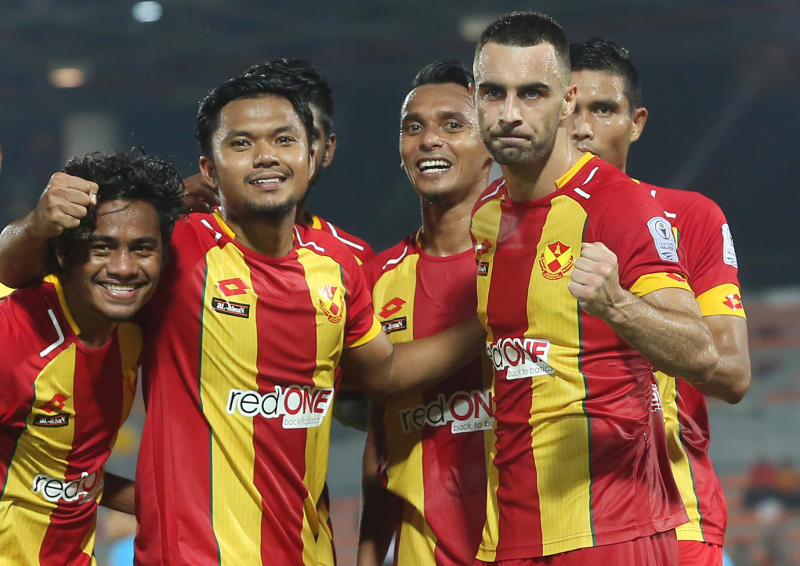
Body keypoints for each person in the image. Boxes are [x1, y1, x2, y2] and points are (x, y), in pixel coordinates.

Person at [0, 70, 481, 565]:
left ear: (311, 155)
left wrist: (491, 316)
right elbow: (13, 269)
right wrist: (36, 225)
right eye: (242, 143)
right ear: (209, 168)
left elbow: (386, 372)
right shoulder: (174, 247)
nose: (266, 155)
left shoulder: (339, 266)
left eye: (284, 140)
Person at [468, 11, 719, 565]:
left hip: (611, 530)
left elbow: (701, 352)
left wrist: (618, 305)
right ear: (474, 98)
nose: (510, 114)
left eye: (532, 93)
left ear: (566, 101)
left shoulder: (617, 204)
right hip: (510, 534)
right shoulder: (484, 216)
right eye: (494, 93)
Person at [569, 37, 752, 565]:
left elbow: (732, 372)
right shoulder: (501, 231)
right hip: (540, 524)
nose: (583, 128)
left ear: (636, 123)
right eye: (570, 110)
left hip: (673, 517)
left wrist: (622, 306)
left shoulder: (687, 217)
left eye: (604, 109)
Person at [0, 149, 184, 565]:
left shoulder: (133, 332)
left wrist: (181, 506)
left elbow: (67, 472)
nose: (124, 267)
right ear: (63, 254)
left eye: (142, 249)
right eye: (102, 247)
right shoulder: (14, 333)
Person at [357, 60, 494, 566]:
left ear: (492, 144)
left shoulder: (539, 258)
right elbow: (380, 443)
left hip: (534, 547)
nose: (429, 140)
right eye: (413, 127)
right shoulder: (376, 279)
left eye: (452, 125)